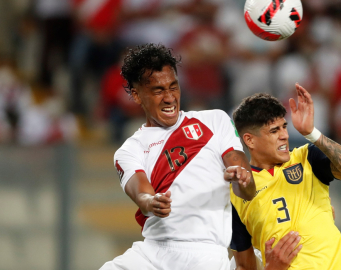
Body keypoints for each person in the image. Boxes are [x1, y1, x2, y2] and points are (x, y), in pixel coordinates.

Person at [100, 43, 256, 270]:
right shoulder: (129, 150)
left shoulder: (215, 121)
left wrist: (243, 179)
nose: (169, 97)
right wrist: (151, 202)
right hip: (152, 253)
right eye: (158, 90)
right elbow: (141, 194)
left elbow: (247, 189)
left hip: (204, 254)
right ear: (136, 95)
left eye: (173, 87)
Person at [230, 84, 341, 270]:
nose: (284, 135)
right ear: (249, 140)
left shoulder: (306, 158)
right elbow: (244, 266)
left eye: (284, 127)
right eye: (274, 131)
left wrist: (312, 134)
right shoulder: (237, 192)